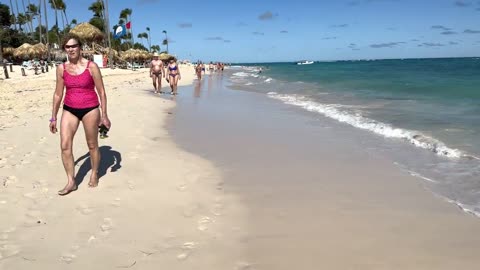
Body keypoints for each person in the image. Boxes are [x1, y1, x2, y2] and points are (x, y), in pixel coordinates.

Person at [49, 33, 111, 196]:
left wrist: (104, 115)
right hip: (69, 108)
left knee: (92, 145)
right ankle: (71, 181)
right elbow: (57, 94)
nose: (71, 49)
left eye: (74, 46)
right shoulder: (61, 68)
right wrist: (53, 116)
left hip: (90, 108)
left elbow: (102, 92)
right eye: (67, 47)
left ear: (80, 47)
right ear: (65, 49)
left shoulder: (91, 67)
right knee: (65, 145)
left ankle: (94, 173)